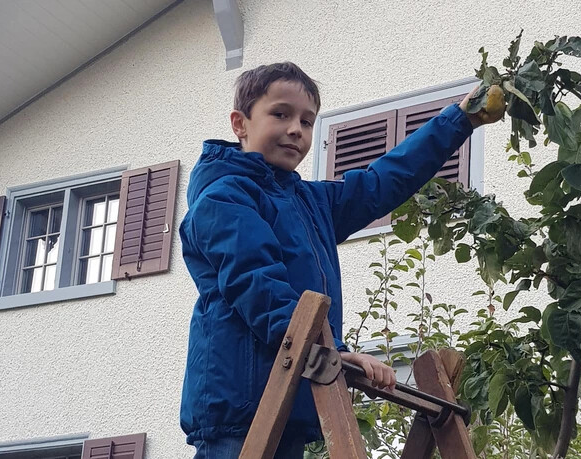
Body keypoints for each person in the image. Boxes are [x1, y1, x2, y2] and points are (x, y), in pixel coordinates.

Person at [179, 62, 502, 458]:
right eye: (280, 114)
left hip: (291, 398)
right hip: (241, 408)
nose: (296, 129)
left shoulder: (312, 203)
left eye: (308, 121)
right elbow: (255, 280)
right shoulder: (224, 196)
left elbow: (384, 179)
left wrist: (459, 120)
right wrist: (325, 348)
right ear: (240, 123)